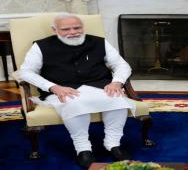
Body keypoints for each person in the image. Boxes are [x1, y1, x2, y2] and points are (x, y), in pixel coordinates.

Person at [18, 13, 136, 168]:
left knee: (116, 98)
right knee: (73, 103)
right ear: (55, 30)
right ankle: (83, 149)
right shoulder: (40, 46)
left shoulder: (99, 42)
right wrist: (53, 87)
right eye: (66, 29)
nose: (73, 32)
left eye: (77, 27)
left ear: (83, 27)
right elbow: (26, 72)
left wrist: (117, 82)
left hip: (99, 85)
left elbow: (121, 65)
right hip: (63, 89)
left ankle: (113, 144)